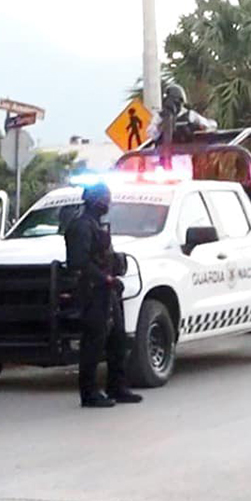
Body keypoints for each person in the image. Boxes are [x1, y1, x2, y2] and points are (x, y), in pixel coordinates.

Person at [64, 183, 144, 408]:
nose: (107, 203)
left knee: (117, 340)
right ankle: (89, 393)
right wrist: (104, 279)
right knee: (93, 343)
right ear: (93, 201)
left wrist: (115, 268)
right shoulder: (81, 227)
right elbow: (79, 263)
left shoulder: (95, 225)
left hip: (107, 291)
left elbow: (102, 255)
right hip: (92, 292)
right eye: (104, 198)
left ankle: (117, 387)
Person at [149, 84, 218, 146]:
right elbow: (151, 134)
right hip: (164, 154)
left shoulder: (190, 115)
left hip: (185, 153)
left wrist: (201, 127)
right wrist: (161, 126)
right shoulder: (159, 117)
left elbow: (210, 125)